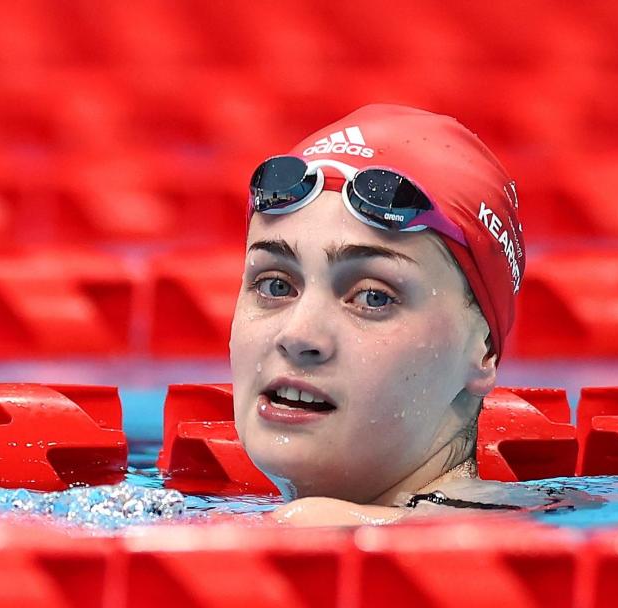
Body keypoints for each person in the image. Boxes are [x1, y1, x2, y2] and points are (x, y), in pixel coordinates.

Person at [229, 104, 568, 525]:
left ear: (482, 351)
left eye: (372, 297)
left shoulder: (317, 529)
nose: (299, 335)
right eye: (275, 286)